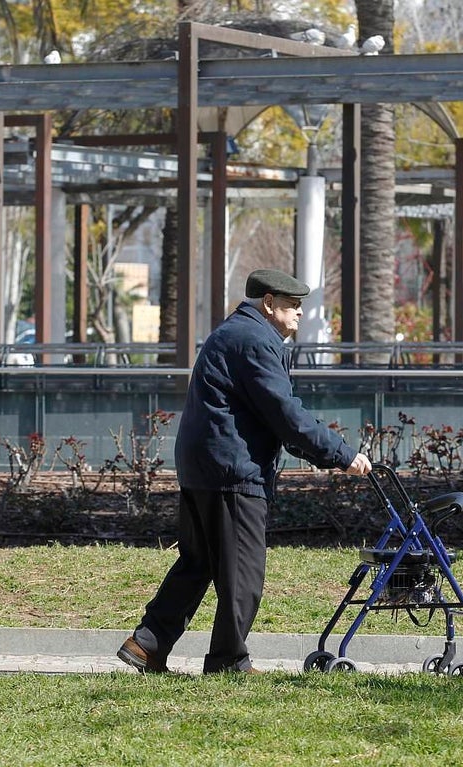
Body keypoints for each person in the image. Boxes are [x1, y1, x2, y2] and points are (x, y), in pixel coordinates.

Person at [117, 268, 373, 675]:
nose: (299, 314)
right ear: (269, 304)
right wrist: (341, 454)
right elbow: (285, 413)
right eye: (292, 306)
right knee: (243, 574)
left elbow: (271, 415)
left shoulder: (235, 332)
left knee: (197, 563)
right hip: (232, 471)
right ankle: (228, 661)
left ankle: (146, 645)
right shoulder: (255, 340)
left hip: (205, 466)